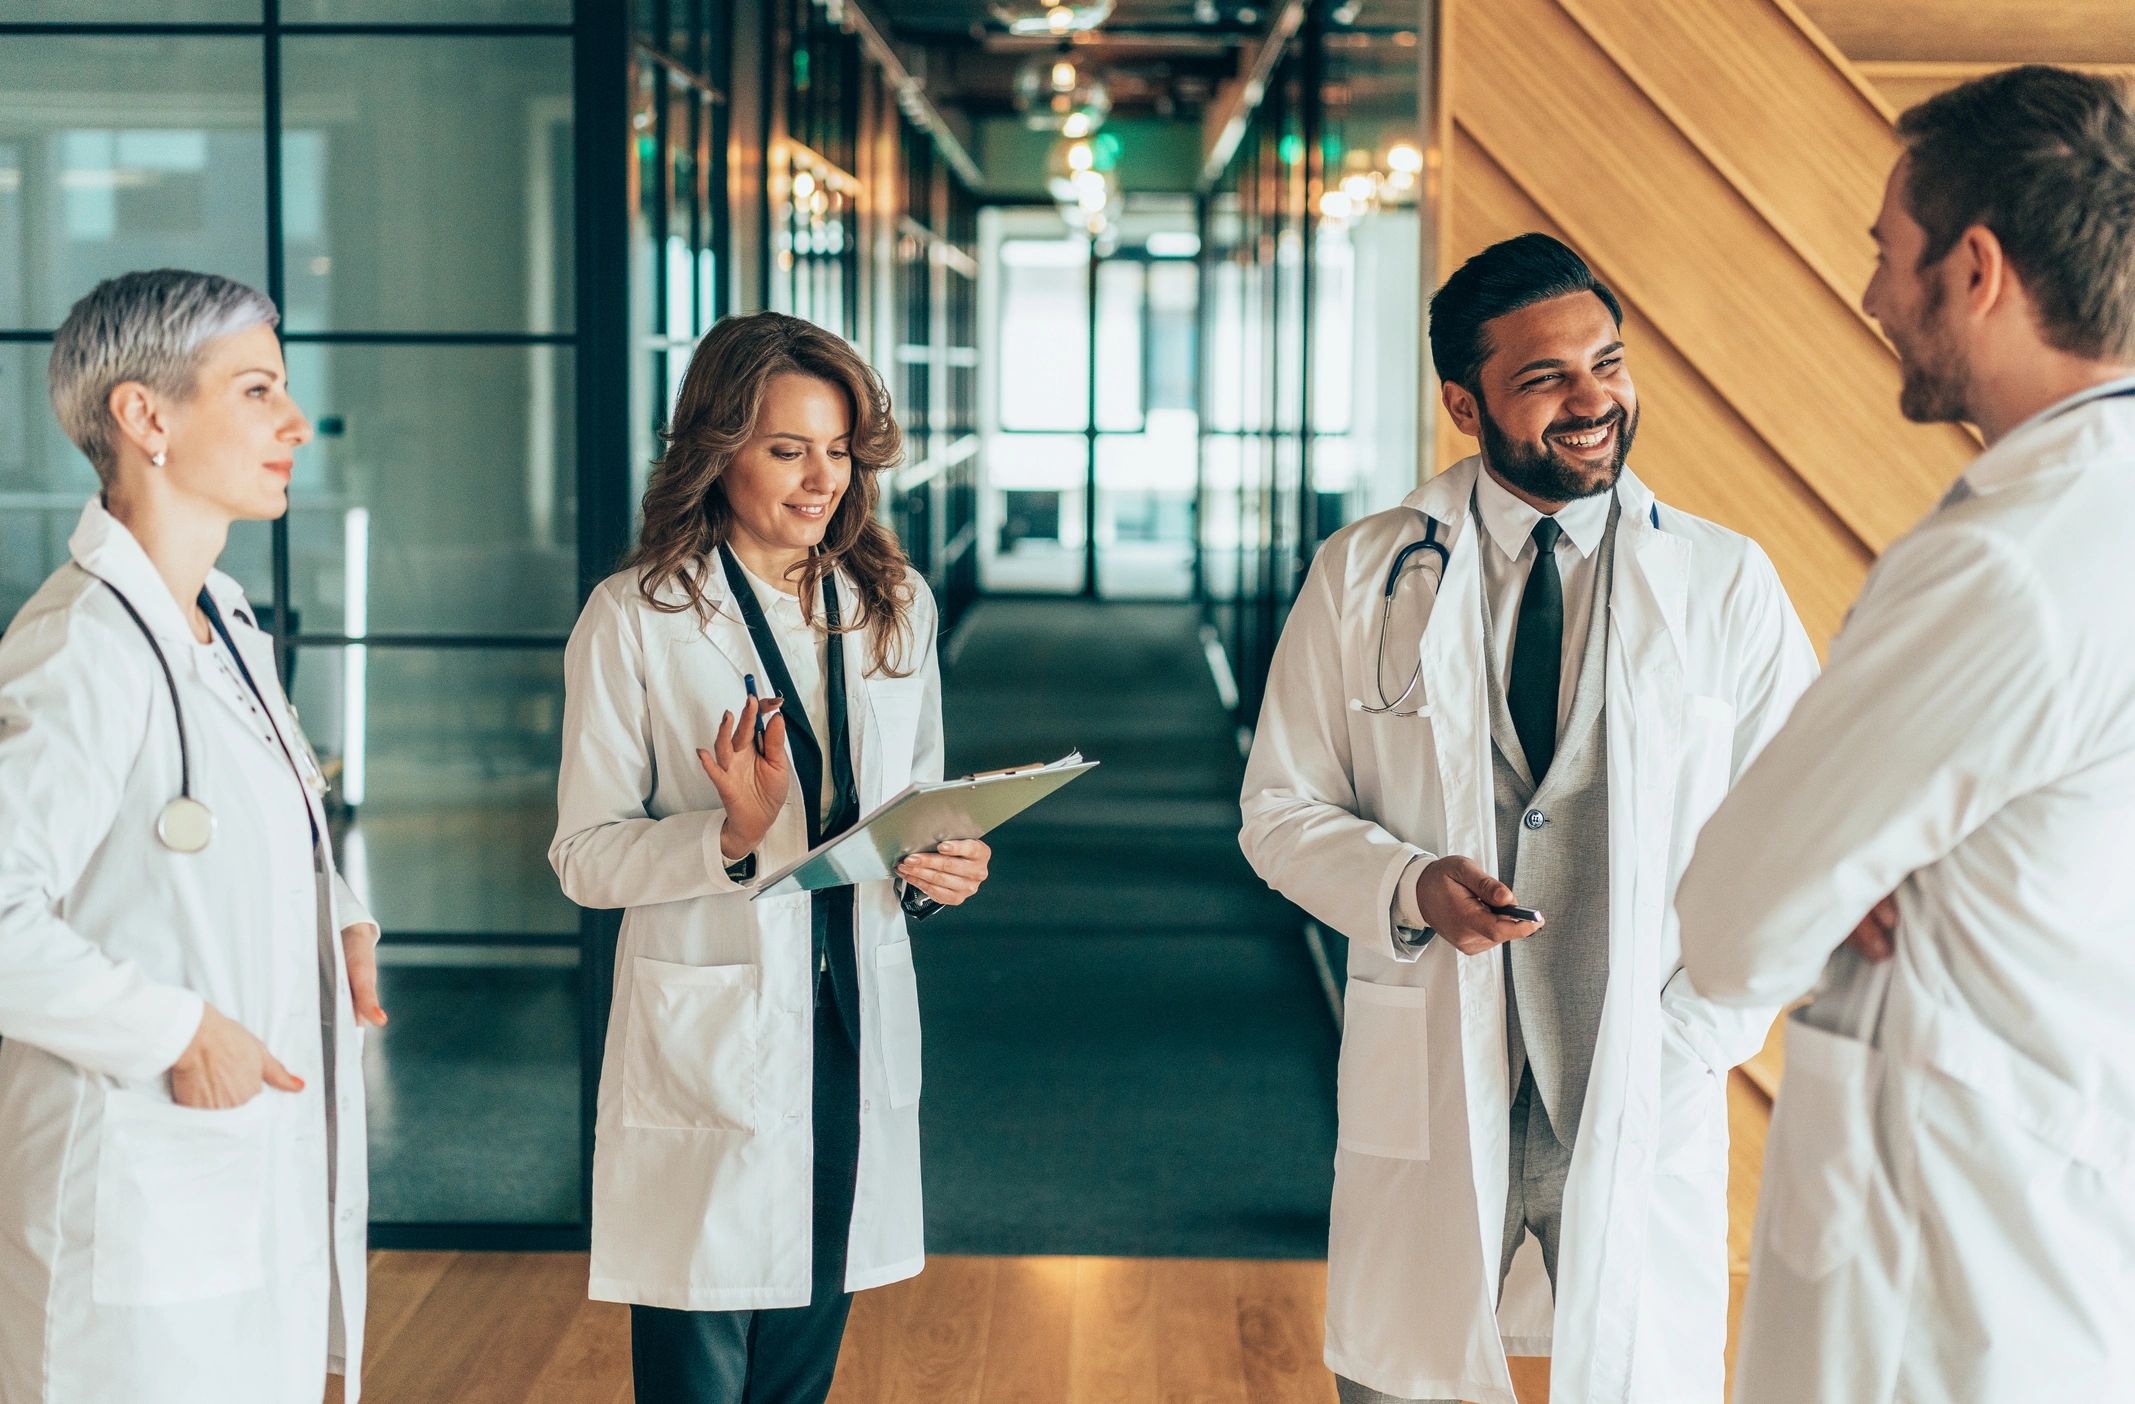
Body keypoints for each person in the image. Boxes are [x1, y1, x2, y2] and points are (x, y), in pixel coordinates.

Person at [1239, 233, 1817, 1403]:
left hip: (1637, 1062)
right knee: (1404, 1378)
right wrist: (1405, 887)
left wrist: (1692, 1039)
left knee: (1637, 1375)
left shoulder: (1723, 583)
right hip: (1438, 1059)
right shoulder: (1363, 574)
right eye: (1544, 378)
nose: (1592, 400)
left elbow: (1798, 839)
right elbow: (1276, 810)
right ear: (1463, 402)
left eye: (1605, 363)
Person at [1678, 66, 2135, 1402]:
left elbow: (1730, 917)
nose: (1872, 297)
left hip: (1945, 1256)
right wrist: (1858, 858)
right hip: (2054, 1209)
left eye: (1887, 256)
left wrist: (1834, 864)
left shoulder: (2008, 566)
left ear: (1974, 267)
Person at [551, 310, 990, 1403]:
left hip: (848, 1019)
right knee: (699, 1363)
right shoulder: (638, 617)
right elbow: (583, 857)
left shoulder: (891, 607)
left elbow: (917, 807)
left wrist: (937, 871)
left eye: (837, 451)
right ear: (715, 450)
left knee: (799, 1366)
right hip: (716, 1023)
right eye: (786, 451)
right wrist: (728, 838)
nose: (820, 482)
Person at [0, 270, 383, 1403]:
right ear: (146, 416)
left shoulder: (222, 621)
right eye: (258, 388)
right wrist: (174, 1030)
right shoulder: (82, 649)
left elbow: (249, 829)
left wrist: (340, 921)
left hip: (232, 1182)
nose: (295, 423)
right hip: (134, 1192)